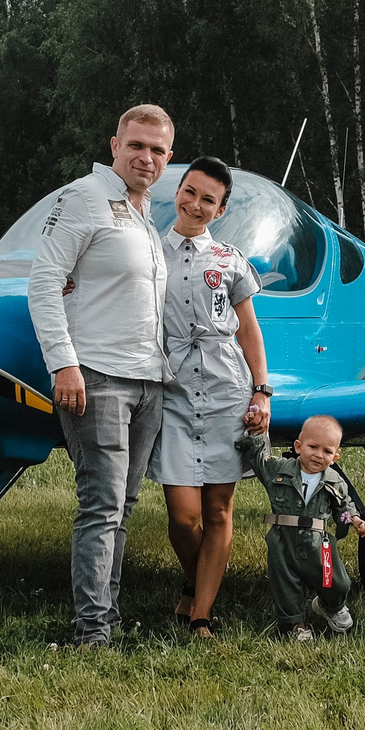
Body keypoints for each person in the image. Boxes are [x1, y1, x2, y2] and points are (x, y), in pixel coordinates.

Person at [25, 105, 175, 648]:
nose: (146, 158)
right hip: (98, 375)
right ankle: (92, 630)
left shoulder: (144, 213)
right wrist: (64, 364)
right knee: (102, 506)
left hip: (148, 380)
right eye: (136, 145)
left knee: (123, 507)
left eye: (157, 150)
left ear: (168, 158)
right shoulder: (83, 197)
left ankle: (106, 616)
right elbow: (44, 283)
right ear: (114, 145)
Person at [150, 157, 270, 640]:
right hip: (173, 391)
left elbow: (249, 330)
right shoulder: (149, 253)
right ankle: (196, 577)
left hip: (226, 391)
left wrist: (261, 392)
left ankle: (200, 613)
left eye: (208, 200)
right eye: (190, 192)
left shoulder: (229, 260)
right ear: (177, 191)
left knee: (218, 510)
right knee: (183, 517)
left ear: (219, 210)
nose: (195, 205)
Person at [234, 414, 365, 641]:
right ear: (298, 446)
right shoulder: (279, 469)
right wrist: (256, 432)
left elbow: (343, 508)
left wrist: (354, 520)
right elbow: (259, 459)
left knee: (336, 581)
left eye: (327, 451)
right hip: (282, 540)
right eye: (312, 447)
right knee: (285, 583)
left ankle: (331, 606)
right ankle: (294, 625)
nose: (318, 455)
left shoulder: (335, 481)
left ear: (335, 457)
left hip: (318, 542)